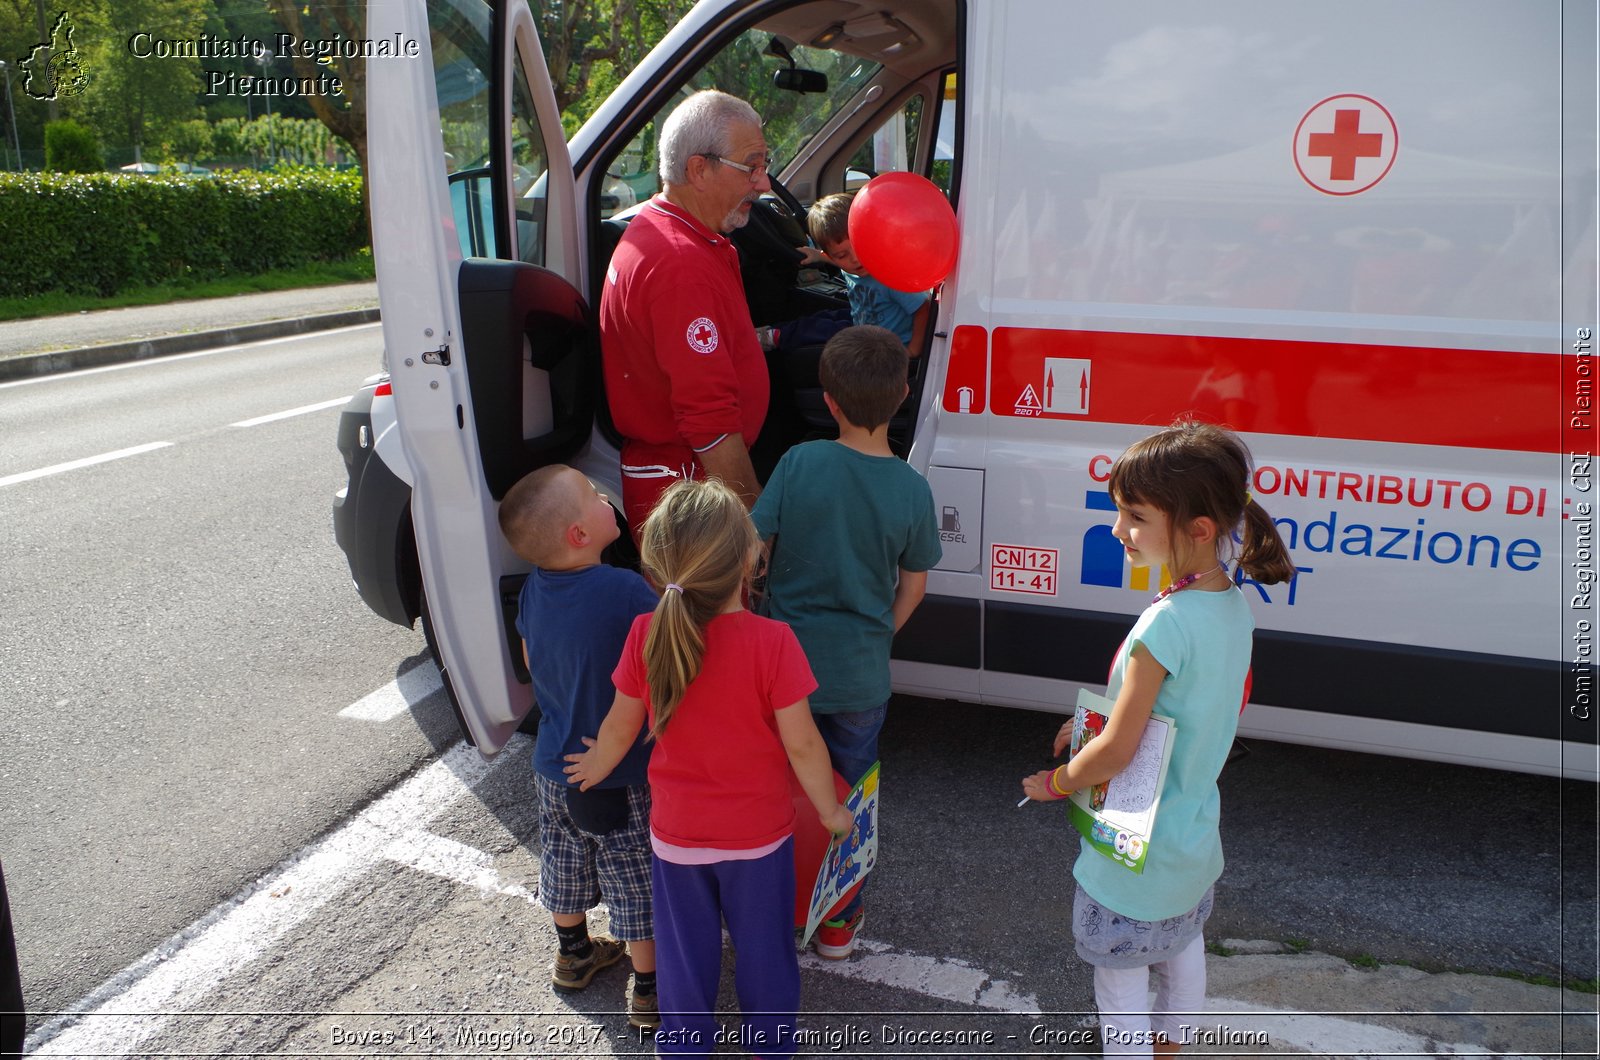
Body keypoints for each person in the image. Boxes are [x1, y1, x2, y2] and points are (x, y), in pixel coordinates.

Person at [1020, 420, 1294, 1057]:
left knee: (1120, 994)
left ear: (1199, 528)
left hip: (1131, 858)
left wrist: (1056, 783)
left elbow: (1118, 750)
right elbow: (1183, 712)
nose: (1119, 530)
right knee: (1180, 955)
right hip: (1191, 845)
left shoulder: (1164, 624)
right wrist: (1095, 722)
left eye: (1135, 516)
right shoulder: (1230, 604)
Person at [565, 479, 854, 1059]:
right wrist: (830, 811)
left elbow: (621, 724)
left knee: (683, 955)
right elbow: (803, 746)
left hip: (677, 838)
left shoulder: (647, 633)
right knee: (764, 950)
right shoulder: (773, 641)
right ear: (749, 557)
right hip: (758, 838)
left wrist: (595, 764)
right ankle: (770, 1047)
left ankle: (685, 1047)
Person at [749, 325, 942, 958]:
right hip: (861, 675)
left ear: (828, 401)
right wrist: (875, 635)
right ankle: (837, 921)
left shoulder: (800, 461)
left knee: (779, 788)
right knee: (850, 797)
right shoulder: (913, 489)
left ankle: (775, 907)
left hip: (783, 670)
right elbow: (912, 590)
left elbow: (752, 546)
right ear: (903, 394)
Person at [498, 465, 660, 1029]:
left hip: (554, 764)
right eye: (593, 497)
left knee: (564, 859)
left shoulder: (534, 590)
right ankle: (648, 989)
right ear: (580, 534)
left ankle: (574, 954)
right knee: (633, 872)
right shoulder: (625, 590)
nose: (604, 497)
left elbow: (529, 661)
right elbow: (662, 654)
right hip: (621, 768)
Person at [600, 89, 774, 535]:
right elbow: (710, 423)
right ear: (699, 169)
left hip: (682, 480)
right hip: (692, 488)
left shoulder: (669, 233)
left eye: (764, 166)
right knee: (708, 606)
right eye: (751, 167)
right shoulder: (681, 264)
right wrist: (752, 525)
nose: (764, 183)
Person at [808, 192, 932, 352]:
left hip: (891, 352)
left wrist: (913, 351)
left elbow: (922, 307)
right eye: (842, 255)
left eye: (860, 247)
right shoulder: (850, 268)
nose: (855, 259)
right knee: (822, 320)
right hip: (867, 340)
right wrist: (816, 255)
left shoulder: (888, 277)